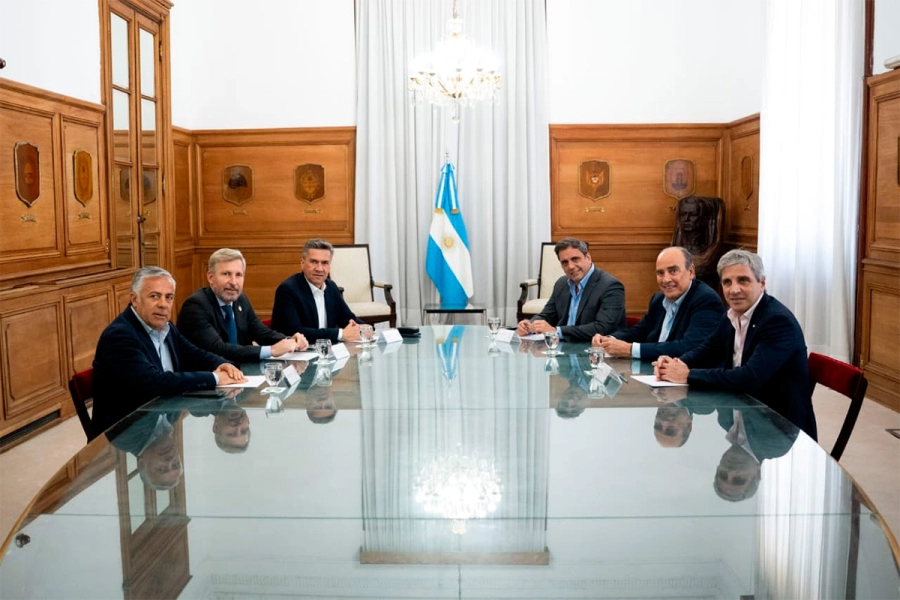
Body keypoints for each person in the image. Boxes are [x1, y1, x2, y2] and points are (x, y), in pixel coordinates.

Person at [654, 250, 817, 439]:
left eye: (743, 280)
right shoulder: (731, 314)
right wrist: (675, 363)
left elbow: (749, 377)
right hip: (739, 418)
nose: (734, 290)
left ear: (762, 283)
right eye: (727, 282)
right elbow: (707, 350)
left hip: (778, 430)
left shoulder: (778, 321)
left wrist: (687, 375)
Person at [92, 267, 246, 433]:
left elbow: (193, 353)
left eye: (169, 297)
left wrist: (222, 364)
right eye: (154, 296)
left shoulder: (166, 326)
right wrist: (214, 378)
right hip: (127, 435)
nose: (163, 305)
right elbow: (154, 382)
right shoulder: (120, 336)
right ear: (135, 299)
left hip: (163, 421)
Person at [592, 246, 724, 361]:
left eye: (673, 271)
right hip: (653, 372)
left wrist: (630, 350)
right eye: (660, 273)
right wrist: (608, 340)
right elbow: (640, 331)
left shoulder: (706, 300)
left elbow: (690, 347)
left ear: (691, 272)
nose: (666, 279)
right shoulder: (658, 298)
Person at [177, 248, 308, 363]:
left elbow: (261, 332)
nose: (233, 282)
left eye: (238, 275)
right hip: (209, 380)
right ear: (211, 277)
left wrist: (289, 340)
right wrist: (271, 350)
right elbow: (218, 349)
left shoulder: (240, 299)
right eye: (226, 274)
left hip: (241, 374)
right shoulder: (195, 306)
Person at [516, 238, 626, 341]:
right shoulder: (561, 283)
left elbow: (603, 328)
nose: (570, 266)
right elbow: (547, 315)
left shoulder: (610, 286)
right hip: (562, 348)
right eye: (565, 262)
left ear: (588, 258)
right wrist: (530, 324)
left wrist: (556, 331)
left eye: (575, 259)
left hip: (596, 351)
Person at [271, 238, 362, 343]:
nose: (319, 269)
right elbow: (292, 331)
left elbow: (347, 318)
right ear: (302, 263)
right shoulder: (288, 290)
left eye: (325, 263)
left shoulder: (331, 287)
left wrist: (365, 329)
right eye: (314, 262)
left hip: (327, 352)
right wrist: (340, 334)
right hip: (299, 352)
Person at [107, 410, 184, 490]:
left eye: (162, 469)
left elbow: (152, 403)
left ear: (142, 463)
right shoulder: (172, 418)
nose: (170, 461)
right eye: (175, 464)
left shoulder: (125, 439)